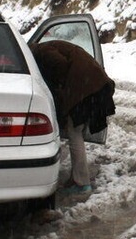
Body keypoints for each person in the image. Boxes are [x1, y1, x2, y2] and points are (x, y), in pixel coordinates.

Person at [31, 40, 115, 195]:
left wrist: (60, 87)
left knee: (74, 131)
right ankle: (76, 177)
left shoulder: (40, 52)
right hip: (94, 84)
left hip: (85, 87)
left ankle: (81, 183)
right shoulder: (46, 47)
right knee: (77, 131)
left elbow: (60, 64)